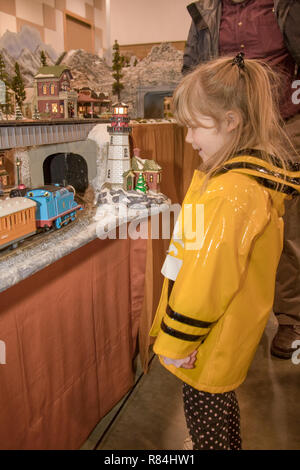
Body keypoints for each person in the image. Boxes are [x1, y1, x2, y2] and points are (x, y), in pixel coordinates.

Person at [150, 54, 300, 450]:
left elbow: (206, 279)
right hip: (223, 330)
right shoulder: (240, 182)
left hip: (207, 337)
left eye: (195, 128)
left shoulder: (231, 193)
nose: (188, 139)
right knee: (217, 400)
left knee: (204, 402)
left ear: (231, 121)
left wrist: (177, 341)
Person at [181, 0, 300, 359]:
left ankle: (291, 318)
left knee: (284, 229)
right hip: (226, 132)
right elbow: (191, 68)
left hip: (284, 127)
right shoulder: (205, 10)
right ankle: (215, 312)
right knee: (217, 222)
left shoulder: (286, 5)